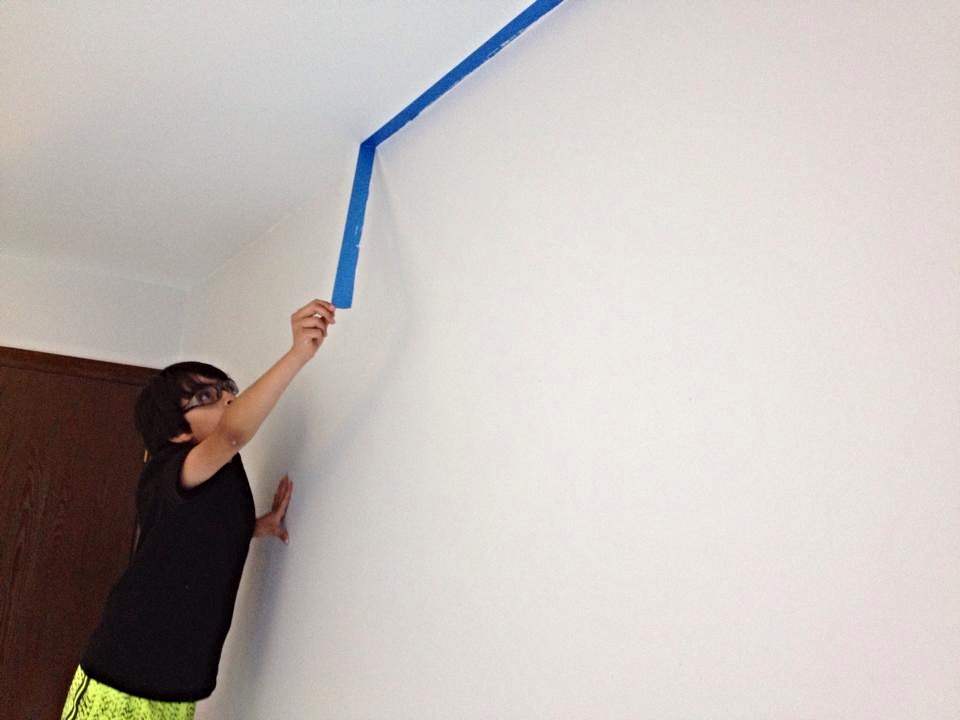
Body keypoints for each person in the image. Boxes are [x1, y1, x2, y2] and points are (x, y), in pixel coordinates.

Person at [61, 299, 336, 720]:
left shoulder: (215, 477)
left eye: (228, 390)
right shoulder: (168, 470)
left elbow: (193, 537)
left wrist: (256, 525)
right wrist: (298, 351)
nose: (228, 399)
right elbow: (231, 434)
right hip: (120, 676)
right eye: (206, 396)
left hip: (177, 685)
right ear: (175, 431)